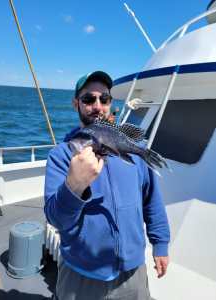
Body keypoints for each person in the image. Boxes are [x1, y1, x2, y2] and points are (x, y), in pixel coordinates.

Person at [44, 71, 170, 300]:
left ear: (111, 103)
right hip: (80, 275)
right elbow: (56, 220)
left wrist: (160, 244)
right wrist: (74, 184)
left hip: (133, 271)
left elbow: (152, 201)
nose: (97, 106)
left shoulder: (136, 150)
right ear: (76, 104)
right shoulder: (61, 155)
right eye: (88, 99)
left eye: (104, 99)